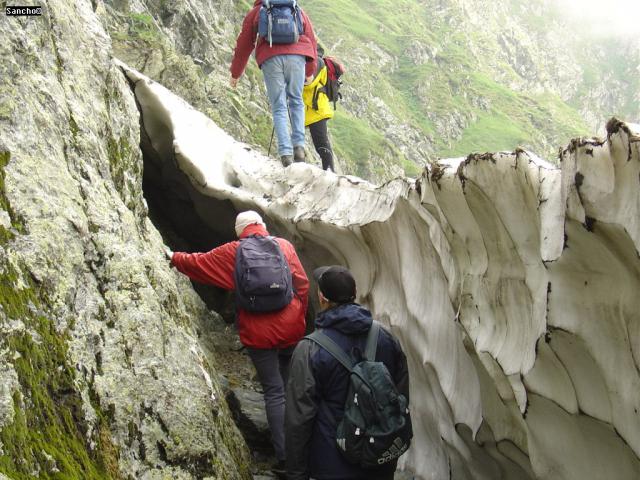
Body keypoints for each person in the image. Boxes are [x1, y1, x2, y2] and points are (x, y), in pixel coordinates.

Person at [167, 211, 309, 475]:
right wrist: (298, 314)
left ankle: (286, 459)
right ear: (262, 226)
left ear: (240, 230)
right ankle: (304, 452)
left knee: (274, 392)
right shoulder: (284, 246)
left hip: (258, 333)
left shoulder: (234, 251)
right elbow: (302, 284)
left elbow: (199, 264)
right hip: (290, 328)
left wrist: (174, 258)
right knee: (291, 388)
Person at [285, 265, 410, 480]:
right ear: (354, 294)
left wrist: (296, 473)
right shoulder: (386, 338)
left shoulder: (310, 349)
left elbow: (299, 418)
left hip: (331, 463)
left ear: (322, 297)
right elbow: (400, 397)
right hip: (378, 459)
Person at [230, 1, 318, 167]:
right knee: (296, 100)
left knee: (279, 106)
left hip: (271, 58)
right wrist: (309, 71)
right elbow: (311, 40)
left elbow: (244, 43)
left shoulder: (258, 10)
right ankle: (299, 147)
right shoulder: (295, 7)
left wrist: (236, 73)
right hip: (297, 57)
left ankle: (285, 154)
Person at [303, 47, 335, 172]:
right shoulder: (312, 61)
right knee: (320, 144)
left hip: (316, 110)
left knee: (321, 144)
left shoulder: (318, 62)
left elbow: (309, 83)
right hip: (311, 109)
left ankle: (329, 171)